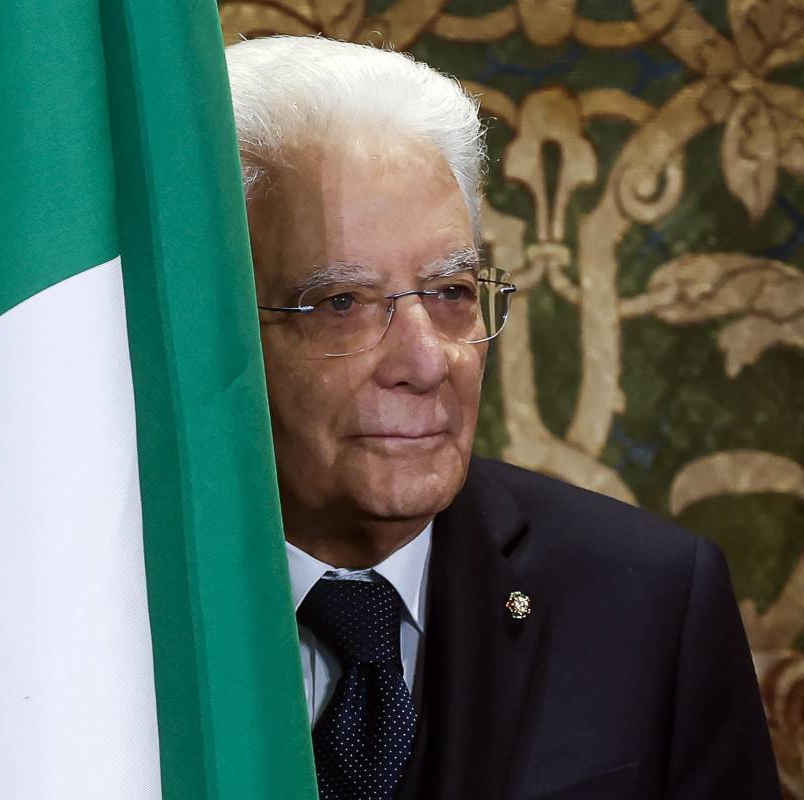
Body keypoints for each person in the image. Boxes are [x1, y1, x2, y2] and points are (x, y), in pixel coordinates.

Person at [225, 35, 781, 800]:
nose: (428, 362)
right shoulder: (96, 604)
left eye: (451, 292)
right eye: (342, 302)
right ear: (216, 324)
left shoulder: (654, 603)